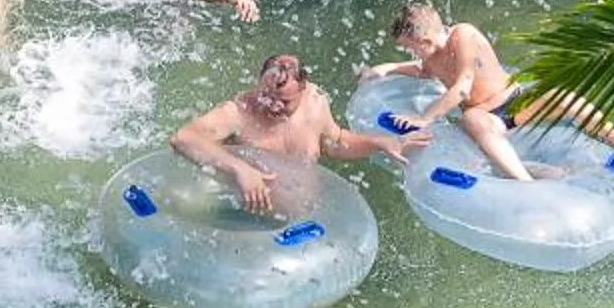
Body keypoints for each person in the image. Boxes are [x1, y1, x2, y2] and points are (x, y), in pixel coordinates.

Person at [361, 0, 614, 181]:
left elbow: (463, 88)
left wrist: (425, 118)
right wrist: (387, 67)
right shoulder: (432, 57)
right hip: (487, 118)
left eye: (411, 48)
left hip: (515, 102)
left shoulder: (463, 35)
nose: (414, 55)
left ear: (425, 40)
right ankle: (525, 182)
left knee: (566, 97)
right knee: (472, 119)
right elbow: (422, 71)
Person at [169, 52, 423, 216]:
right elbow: (184, 138)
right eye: (267, 96)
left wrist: (379, 142)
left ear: (303, 88)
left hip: (301, 220)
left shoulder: (315, 102)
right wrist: (240, 169)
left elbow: (335, 142)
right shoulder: (239, 112)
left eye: (284, 101)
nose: (274, 106)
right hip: (244, 213)